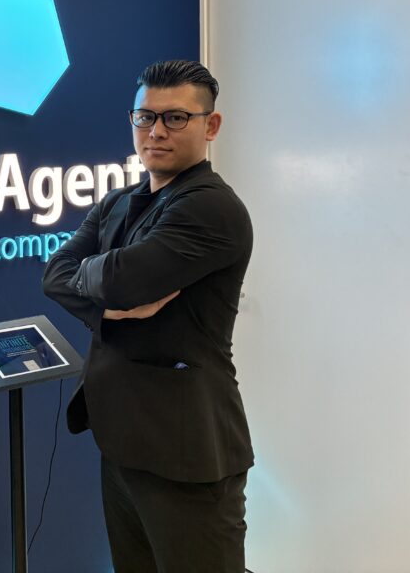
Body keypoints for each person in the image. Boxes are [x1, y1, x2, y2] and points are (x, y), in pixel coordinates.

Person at [42, 60, 253, 572]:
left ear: (211, 125)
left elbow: (120, 280)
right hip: (122, 441)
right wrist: (111, 303)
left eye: (176, 118)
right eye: (145, 117)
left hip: (185, 452)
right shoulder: (118, 202)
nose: (156, 131)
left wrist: (106, 284)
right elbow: (55, 274)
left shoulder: (211, 209)